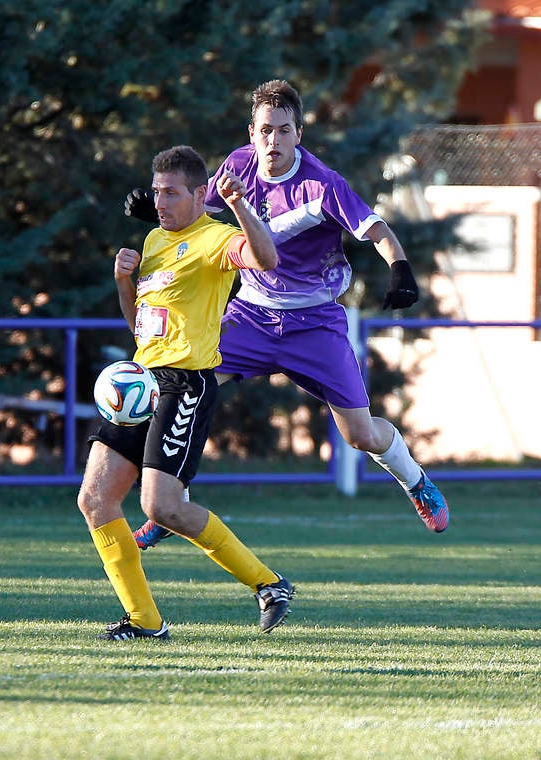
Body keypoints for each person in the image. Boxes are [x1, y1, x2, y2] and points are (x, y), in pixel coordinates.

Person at [126, 79, 449, 551]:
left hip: (313, 322)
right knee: (177, 387)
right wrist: (150, 210)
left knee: (360, 434)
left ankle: (416, 480)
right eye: (264, 131)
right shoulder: (237, 165)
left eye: (282, 130)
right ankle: (171, 504)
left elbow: (375, 229)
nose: (272, 141)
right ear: (251, 132)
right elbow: (198, 212)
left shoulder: (322, 183)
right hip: (251, 315)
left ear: (299, 133)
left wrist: (399, 268)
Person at [78, 145, 294, 640]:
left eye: (171, 193)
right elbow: (138, 326)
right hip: (141, 383)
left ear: (201, 194)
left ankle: (269, 584)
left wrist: (239, 204)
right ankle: (145, 622)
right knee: (94, 500)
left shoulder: (217, 239)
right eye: (156, 191)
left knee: (163, 508)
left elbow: (266, 257)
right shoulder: (153, 239)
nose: (160, 202)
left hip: (184, 386)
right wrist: (122, 280)